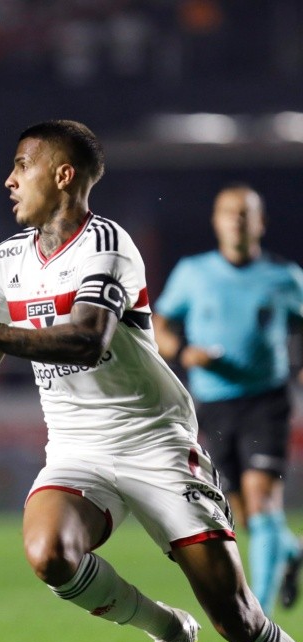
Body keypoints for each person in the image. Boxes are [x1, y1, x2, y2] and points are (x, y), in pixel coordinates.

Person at [0, 120, 303, 642]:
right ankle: (169, 630)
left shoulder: (108, 246)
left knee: (240, 618)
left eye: (22, 166)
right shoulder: (5, 260)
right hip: (75, 447)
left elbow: (87, 341)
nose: (9, 179)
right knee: (48, 554)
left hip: (156, 443)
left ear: (63, 176)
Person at [153, 184, 303, 616]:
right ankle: (289, 552)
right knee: (241, 512)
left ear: (261, 223)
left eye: (245, 213)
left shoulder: (284, 277)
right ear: (216, 222)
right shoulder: (193, 273)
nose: (237, 220)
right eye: (228, 213)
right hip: (212, 405)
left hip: (267, 401)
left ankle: (262, 615)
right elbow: (161, 324)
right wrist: (183, 352)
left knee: (262, 501)